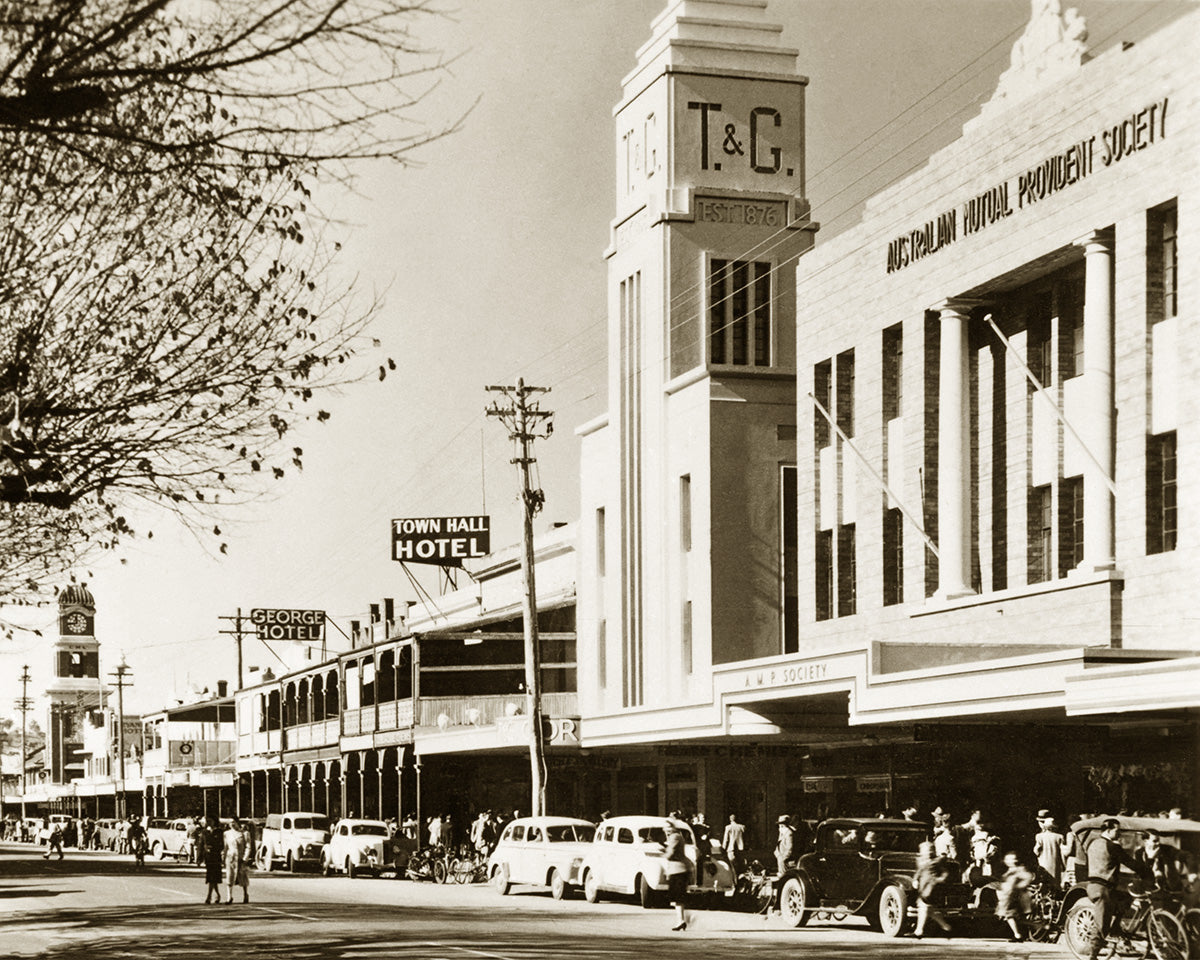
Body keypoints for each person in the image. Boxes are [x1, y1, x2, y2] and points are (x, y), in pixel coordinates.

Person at [1086, 818, 1141, 960]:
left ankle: (1115, 929)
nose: (1119, 834)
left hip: (1093, 885)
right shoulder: (1112, 846)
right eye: (1117, 830)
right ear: (1108, 830)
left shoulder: (1092, 843)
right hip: (1103, 889)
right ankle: (1093, 955)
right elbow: (1130, 863)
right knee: (1101, 923)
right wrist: (1147, 873)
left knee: (1126, 898)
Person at [913, 841, 953, 938]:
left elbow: (945, 872)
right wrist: (915, 880)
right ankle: (945, 926)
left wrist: (939, 880)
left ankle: (919, 930)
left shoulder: (937, 861)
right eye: (924, 851)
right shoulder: (921, 861)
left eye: (929, 850)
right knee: (929, 909)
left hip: (932, 887)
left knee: (924, 906)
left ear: (933, 851)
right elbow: (919, 871)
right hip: (923, 886)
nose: (927, 853)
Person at [996, 852, 1035, 942]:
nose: (1009, 861)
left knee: (1010, 915)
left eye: (1012, 859)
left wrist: (1019, 886)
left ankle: (1018, 935)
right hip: (1008, 895)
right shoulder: (1010, 870)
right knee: (1011, 915)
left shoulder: (1019, 869)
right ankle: (1019, 933)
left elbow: (1028, 877)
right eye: (1007, 859)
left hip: (1015, 895)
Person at [663, 820, 691, 932]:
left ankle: (682, 920)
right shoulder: (676, 836)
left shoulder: (675, 837)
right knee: (677, 898)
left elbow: (670, 854)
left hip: (678, 870)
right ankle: (681, 920)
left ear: (672, 828)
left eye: (667, 828)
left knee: (678, 897)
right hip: (677, 870)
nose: (665, 830)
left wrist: (664, 853)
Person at [1034, 811, 1066, 885]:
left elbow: (1036, 850)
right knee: (1055, 882)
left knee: (1045, 881)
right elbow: (1062, 853)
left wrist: (1039, 855)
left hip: (1043, 862)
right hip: (1055, 863)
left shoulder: (1039, 836)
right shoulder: (1059, 836)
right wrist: (1064, 865)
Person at [223, 818, 250, 904]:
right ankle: (229, 897)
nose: (232, 824)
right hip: (230, 858)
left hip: (240, 859)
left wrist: (245, 858)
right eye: (230, 823)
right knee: (229, 877)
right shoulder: (226, 834)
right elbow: (225, 847)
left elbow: (248, 847)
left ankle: (245, 894)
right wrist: (223, 859)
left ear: (237, 822)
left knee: (243, 877)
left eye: (233, 822)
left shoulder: (244, 834)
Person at [200, 815, 226, 904]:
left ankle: (209, 896)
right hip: (208, 858)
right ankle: (216, 895)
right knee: (212, 878)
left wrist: (216, 849)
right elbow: (201, 844)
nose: (209, 822)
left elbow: (222, 844)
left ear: (214, 821)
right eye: (207, 821)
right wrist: (199, 858)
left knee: (213, 878)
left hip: (216, 856)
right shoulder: (204, 832)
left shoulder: (219, 832)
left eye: (210, 820)